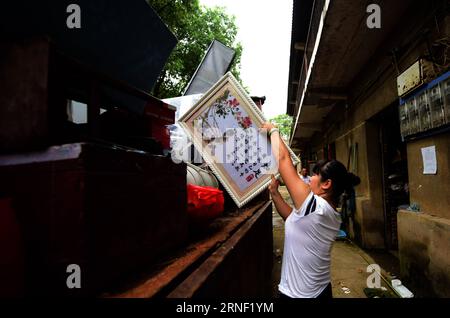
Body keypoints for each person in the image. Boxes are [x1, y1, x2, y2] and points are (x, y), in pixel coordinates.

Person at [261, 122, 359, 299]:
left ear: (326, 184)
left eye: (315, 175)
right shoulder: (329, 212)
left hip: (300, 295)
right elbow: (293, 219)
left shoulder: (315, 207)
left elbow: (283, 160)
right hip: (319, 290)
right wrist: (275, 195)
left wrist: (273, 130)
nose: (310, 178)